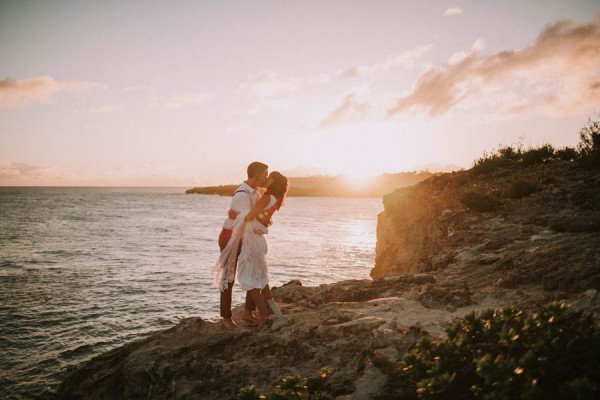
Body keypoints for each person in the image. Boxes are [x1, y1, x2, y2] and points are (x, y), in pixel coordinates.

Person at [213, 161, 269, 330]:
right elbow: (248, 220)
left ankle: (248, 312)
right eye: (265, 175)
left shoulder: (255, 194)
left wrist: (263, 216)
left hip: (245, 236)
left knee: (251, 270)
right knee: (228, 276)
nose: (266, 178)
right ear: (257, 174)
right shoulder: (242, 194)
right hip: (230, 237)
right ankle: (226, 318)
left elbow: (257, 215)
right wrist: (261, 218)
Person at [236, 171, 289, 323]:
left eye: (270, 177)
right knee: (261, 278)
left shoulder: (266, 197)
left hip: (252, 240)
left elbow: (250, 216)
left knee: (250, 278)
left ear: (274, 182)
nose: (267, 179)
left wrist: (235, 214)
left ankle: (265, 316)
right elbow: (263, 217)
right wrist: (263, 219)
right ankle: (269, 312)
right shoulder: (276, 199)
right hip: (258, 240)